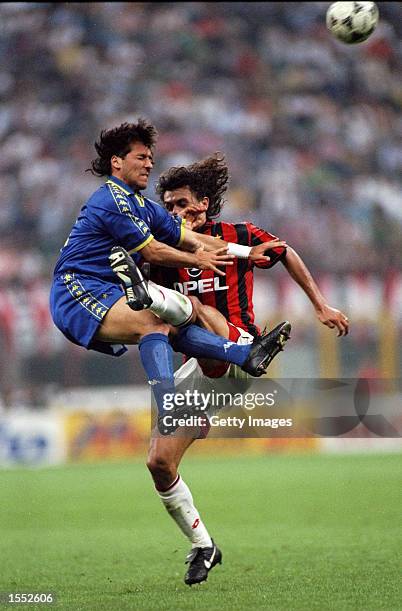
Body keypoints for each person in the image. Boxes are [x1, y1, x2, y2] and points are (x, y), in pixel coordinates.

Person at [49, 122, 292, 586]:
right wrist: (196, 260)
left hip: (110, 291)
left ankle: (204, 546)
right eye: (141, 156)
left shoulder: (143, 206)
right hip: (76, 289)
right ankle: (195, 377)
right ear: (117, 162)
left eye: (149, 156)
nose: (148, 163)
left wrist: (248, 251)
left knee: (158, 461)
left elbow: (191, 239)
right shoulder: (111, 199)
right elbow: (159, 249)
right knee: (161, 317)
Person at [136, 153, 349, 586]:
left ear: (203, 204)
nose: (174, 213)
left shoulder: (235, 236)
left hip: (242, 350)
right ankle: (204, 546)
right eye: (169, 206)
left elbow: (283, 251)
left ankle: (247, 356)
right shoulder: (163, 251)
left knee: (193, 308)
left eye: (181, 204)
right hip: (201, 366)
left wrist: (320, 304)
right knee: (158, 463)